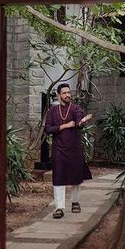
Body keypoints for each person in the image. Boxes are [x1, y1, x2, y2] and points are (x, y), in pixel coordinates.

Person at [44, 83, 93, 219]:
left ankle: (75, 201)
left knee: (76, 176)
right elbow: (48, 129)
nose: (68, 95)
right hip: (59, 149)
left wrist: (83, 121)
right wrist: (65, 125)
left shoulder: (76, 109)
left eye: (69, 92)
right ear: (59, 95)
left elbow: (78, 124)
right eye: (64, 93)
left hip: (74, 148)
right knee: (58, 177)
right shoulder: (52, 111)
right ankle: (59, 207)